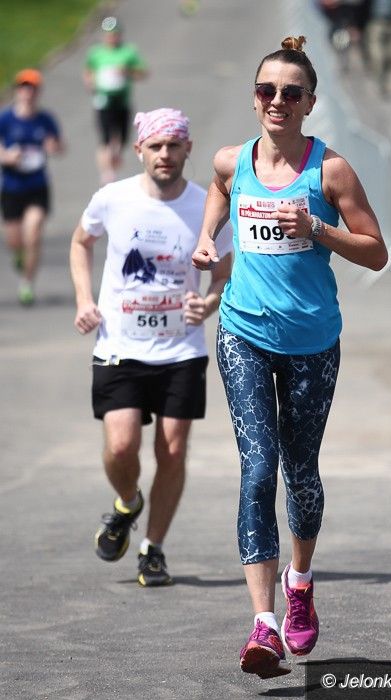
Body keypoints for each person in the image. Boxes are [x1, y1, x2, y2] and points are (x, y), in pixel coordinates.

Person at [192, 36, 387, 678]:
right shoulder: (232, 159)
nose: (277, 100)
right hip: (242, 332)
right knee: (258, 469)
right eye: (266, 90)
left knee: (300, 470)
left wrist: (319, 229)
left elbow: (376, 251)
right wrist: (207, 237)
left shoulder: (331, 171)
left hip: (311, 342)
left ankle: (299, 583)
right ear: (254, 99)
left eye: (290, 92)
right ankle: (264, 623)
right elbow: (219, 188)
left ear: (309, 102)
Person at [70, 108, 232, 587]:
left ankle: (153, 550)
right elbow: (81, 242)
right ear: (139, 149)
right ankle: (128, 503)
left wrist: (209, 302)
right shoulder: (112, 199)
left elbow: (223, 271)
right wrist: (83, 299)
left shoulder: (206, 207)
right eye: (156, 146)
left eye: (174, 145)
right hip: (119, 345)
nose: (165, 154)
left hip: (181, 350)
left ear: (188, 148)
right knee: (121, 446)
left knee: (173, 451)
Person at [0, 68, 64, 305]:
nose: (27, 92)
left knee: (33, 233)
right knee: (15, 240)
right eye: (24, 87)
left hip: (37, 186)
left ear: (38, 92)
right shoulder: (6, 119)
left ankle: (27, 284)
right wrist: (7, 157)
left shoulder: (45, 120)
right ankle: (19, 255)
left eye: (32, 88)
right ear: (17, 91)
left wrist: (53, 147)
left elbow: (59, 146)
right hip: (11, 187)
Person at [83, 16, 147, 185]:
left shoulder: (128, 51)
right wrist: (90, 83)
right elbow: (88, 70)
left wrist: (127, 72)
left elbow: (142, 73)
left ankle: (114, 158)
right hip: (103, 100)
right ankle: (107, 174)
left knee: (122, 138)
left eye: (115, 34)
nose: (112, 38)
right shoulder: (96, 53)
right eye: (108, 35)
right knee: (105, 138)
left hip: (122, 100)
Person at [364, 0, 391, 96]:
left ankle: (385, 79)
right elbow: (364, 7)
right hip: (376, 23)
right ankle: (380, 80)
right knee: (377, 56)